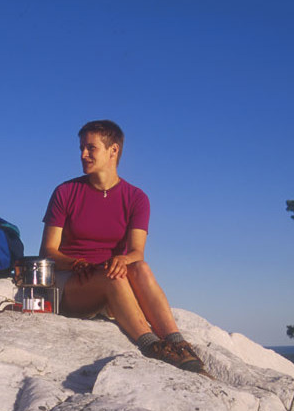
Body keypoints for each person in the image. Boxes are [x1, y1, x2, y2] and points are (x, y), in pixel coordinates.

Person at [40, 120, 208, 374]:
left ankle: (177, 343)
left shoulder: (136, 198)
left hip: (109, 277)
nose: (83, 154)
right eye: (81, 148)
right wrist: (76, 263)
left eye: (90, 148)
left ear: (113, 151)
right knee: (114, 279)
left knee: (140, 268)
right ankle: (152, 346)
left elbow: (137, 252)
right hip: (72, 281)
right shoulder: (66, 192)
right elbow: (48, 251)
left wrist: (124, 260)